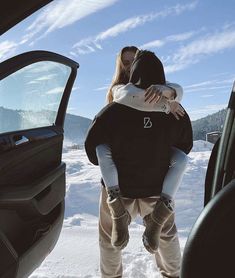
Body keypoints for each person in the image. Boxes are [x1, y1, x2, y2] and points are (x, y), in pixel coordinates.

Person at [85, 49, 193, 278]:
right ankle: (174, 274)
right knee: (165, 235)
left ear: (134, 71)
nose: (129, 65)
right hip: (156, 185)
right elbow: (185, 145)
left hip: (120, 186)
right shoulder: (173, 109)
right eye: (126, 62)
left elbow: (93, 148)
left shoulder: (111, 108)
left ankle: (112, 272)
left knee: (109, 238)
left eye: (132, 62)